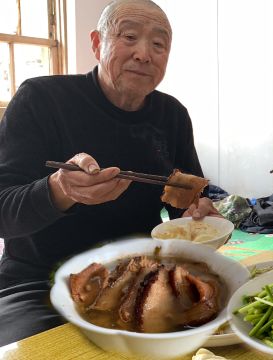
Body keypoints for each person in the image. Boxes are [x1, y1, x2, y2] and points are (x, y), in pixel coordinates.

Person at [0, 0, 219, 345]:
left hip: (138, 275)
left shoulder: (172, 115)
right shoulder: (41, 100)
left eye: (158, 44)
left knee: (216, 324)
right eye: (129, 37)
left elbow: (187, 204)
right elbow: (4, 212)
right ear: (97, 43)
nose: (144, 54)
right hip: (39, 280)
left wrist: (199, 213)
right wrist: (60, 190)